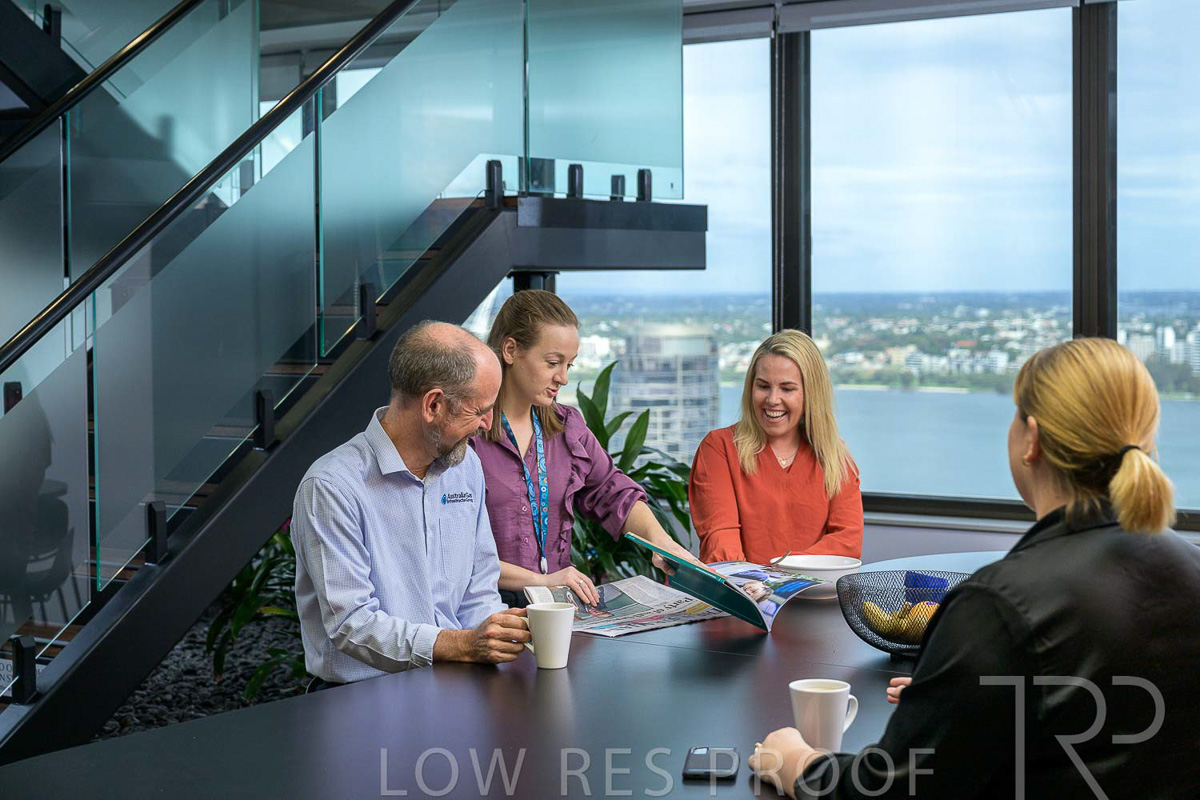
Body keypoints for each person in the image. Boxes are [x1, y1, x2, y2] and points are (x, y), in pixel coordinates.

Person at [749, 337, 1200, 799]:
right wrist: (960, 696)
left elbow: (889, 790)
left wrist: (799, 764)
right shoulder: (1191, 567)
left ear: (1032, 440)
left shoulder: (998, 608)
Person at [291, 321, 530, 688]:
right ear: (433, 405)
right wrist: (462, 645)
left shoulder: (465, 466)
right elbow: (352, 624)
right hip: (360, 696)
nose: (487, 423)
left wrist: (501, 637)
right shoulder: (332, 486)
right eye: (479, 410)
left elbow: (479, 589)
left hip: (458, 681)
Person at [470, 290, 698, 607]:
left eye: (569, 365)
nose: (563, 378)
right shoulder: (468, 433)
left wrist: (661, 542)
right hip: (487, 610)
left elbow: (613, 492)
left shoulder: (567, 427)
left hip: (556, 608)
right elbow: (456, 554)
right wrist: (542, 581)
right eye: (553, 363)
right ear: (511, 350)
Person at [689, 329, 863, 564]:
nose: (772, 400)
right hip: (740, 586)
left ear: (811, 394)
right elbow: (721, 542)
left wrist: (779, 574)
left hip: (815, 587)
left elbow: (847, 543)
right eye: (763, 386)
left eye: (787, 388)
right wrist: (756, 581)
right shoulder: (719, 448)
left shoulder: (835, 456)